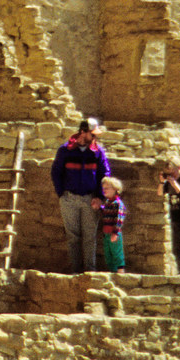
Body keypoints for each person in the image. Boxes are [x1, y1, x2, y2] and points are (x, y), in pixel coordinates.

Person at [51, 117, 111, 273]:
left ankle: (90, 272)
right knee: (73, 238)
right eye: (93, 134)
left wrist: (99, 196)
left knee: (90, 238)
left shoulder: (98, 152)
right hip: (69, 199)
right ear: (83, 132)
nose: (95, 137)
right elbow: (56, 173)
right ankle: (75, 272)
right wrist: (61, 194)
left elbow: (105, 174)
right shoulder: (65, 150)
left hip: (90, 199)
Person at [93, 175, 128, 273]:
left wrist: (115, 232)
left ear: (115, 189)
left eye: (107, 188)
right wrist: (99, 207)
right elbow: (106, 212)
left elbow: (119, 219)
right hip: (106, 233)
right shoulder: (108, 202)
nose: (104, 190)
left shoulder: (118, 203)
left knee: (117, 253)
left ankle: (120, 274)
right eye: (103, 188)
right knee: (108, 254)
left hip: (113, 233)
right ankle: (112, 273)